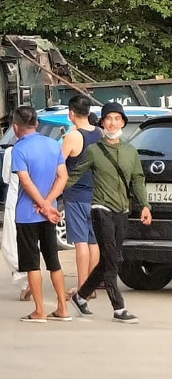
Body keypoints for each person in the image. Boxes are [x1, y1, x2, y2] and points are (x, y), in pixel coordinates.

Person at [57, 103, 152, 324]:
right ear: (102, 122)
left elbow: (138, 179)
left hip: (122, 210)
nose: (112, 122)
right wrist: (51, 196)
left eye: (117, 118)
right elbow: (73, 175)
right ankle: (118, 307)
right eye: (108, 118)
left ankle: (81, 296)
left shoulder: (130, 151)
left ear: (123, 122)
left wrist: (145, 205)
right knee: (112, 259)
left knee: (110, 258)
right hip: (100, 209)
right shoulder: (94, 150)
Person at [10, 106, 71, 323]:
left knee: (32, 263)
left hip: (27, 214)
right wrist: (48, 203)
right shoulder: (53, 145)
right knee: (53, 261)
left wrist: (40, 204)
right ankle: (63, 307)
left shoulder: (19, 149)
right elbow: (62, 177)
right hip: (50, 213)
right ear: (36, 124)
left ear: (16, 127)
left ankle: (39, 310)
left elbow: (25, 182)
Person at [60, 95, 102, 296]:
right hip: (98, 194)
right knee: (94, 241)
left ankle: (83, 286)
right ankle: (92, 285)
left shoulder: (73, 137)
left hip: (76, 194)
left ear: (71, 113)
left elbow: (59, 164)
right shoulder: (100, 133)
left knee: (81, 242)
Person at [0, 144, 30, 300]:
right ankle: (30, 281)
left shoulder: (12, 151)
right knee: (32, 244)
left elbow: (5, 178)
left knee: (10, 245)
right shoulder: (44, 147)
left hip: (15, 201)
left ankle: (24, 279)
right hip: (36, 202)